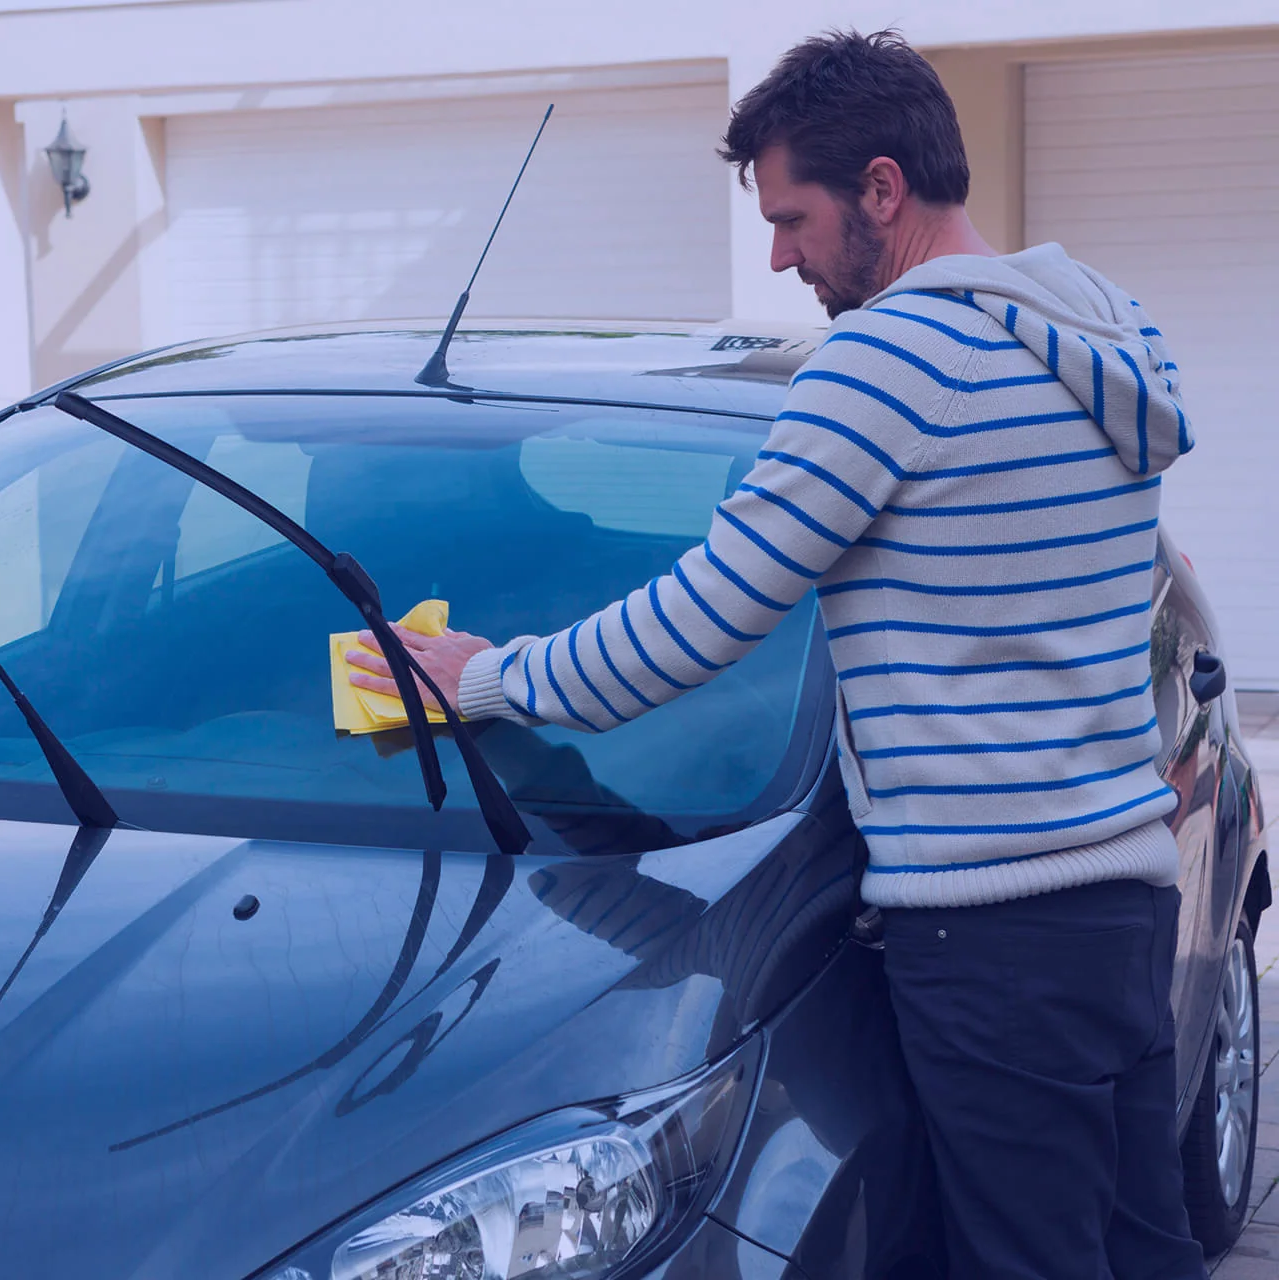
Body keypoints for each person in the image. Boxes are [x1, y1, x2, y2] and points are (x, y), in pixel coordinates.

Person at [345, 29, 1205, 1280]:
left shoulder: (891, 361)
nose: (778, 256)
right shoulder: (1102, 332)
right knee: (1144, 1249)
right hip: (1121, 893)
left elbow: (699, 620)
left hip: (991, 929)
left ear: (882, 189)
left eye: (792, 218)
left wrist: (481, 677)